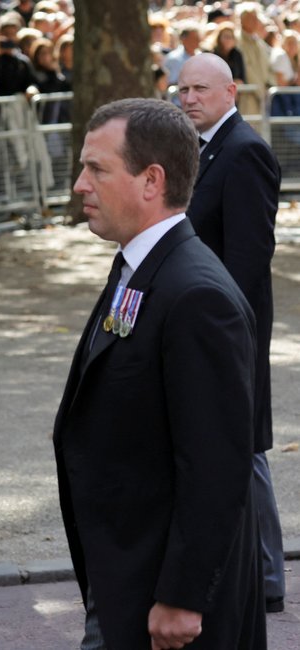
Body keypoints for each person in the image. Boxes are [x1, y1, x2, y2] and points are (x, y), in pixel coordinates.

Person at [56, 97, 264, 648]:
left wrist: (183, 596)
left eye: (97, 168)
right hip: (127, 570)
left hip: (162, 592)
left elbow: (216, 464)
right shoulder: (140, 264)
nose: (80, 184)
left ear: (152, 180)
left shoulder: (196, 294)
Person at [177, 52, 285, 616]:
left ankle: (268, 573)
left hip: (229, 327)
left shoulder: (245, 152)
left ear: (231, 92)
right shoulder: (197, 150)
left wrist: (226, 328)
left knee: (244, 449)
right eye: (182, 88)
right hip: (203, 323)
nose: (188, 98)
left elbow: (248, 258)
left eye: (199, 89)